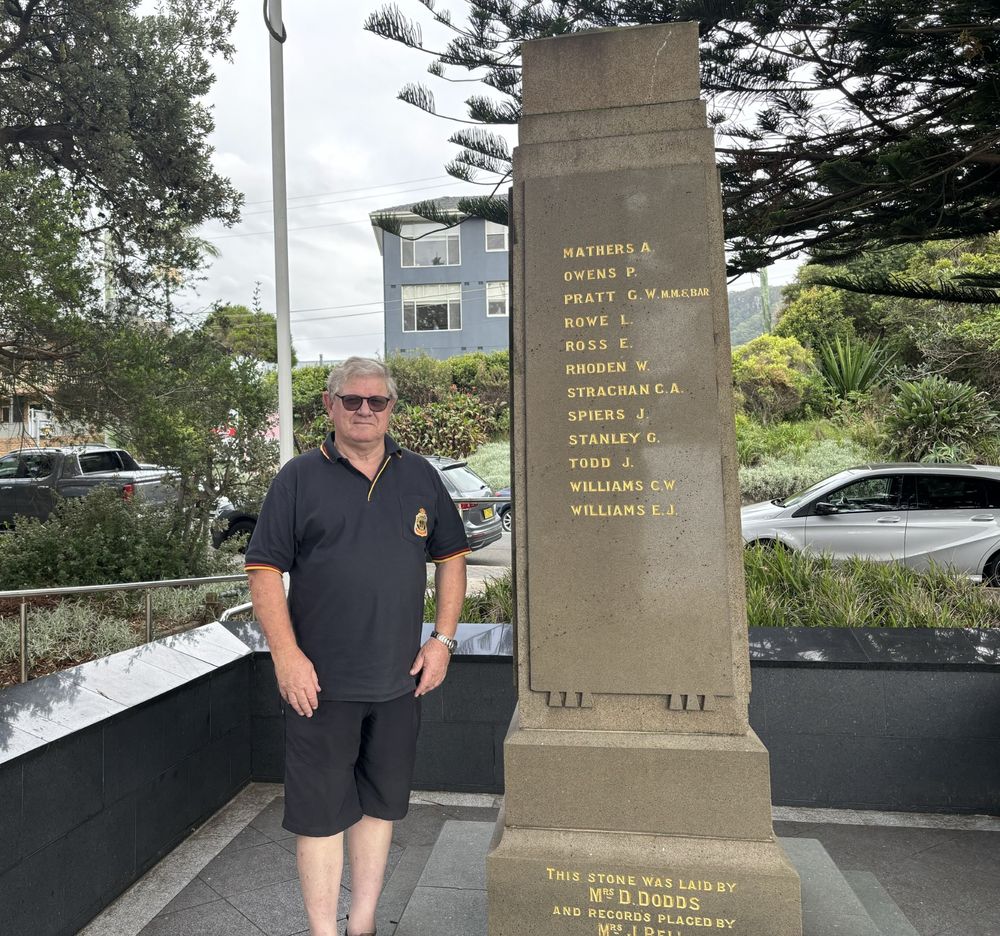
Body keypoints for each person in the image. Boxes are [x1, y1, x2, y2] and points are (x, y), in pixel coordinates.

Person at [245, 357, 470, 936]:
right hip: (319, 685)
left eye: (377, 401)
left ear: (392, 408)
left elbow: (451, 558)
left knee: (379, 808)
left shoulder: (419, 474)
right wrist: (287, 658)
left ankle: (362, 924)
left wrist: (442, 639)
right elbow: (264, 569)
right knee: (320, 819)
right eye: (352, 401)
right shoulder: (298, 477)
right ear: (329, 405)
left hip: (400, 680)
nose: (365, 410)